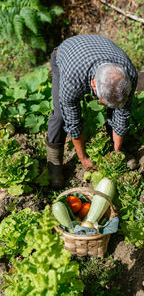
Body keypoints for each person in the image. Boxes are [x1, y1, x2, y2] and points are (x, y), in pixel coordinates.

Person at [47, 34, 138, 189]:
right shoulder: (72, 79)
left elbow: (122, 114)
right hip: (65, 56)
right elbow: (73, 121)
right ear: (93, 84)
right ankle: (54, 163)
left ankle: (114, 149)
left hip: (99, 50)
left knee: (118, 106)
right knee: (60, 115)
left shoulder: (129, 75)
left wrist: (115, 155)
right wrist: (83, 158)